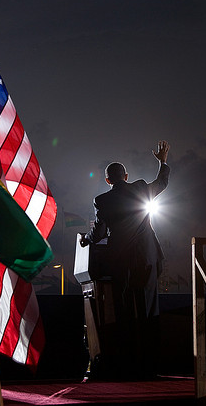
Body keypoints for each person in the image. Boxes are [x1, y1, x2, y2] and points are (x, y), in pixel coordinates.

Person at [80, 140, 170, 380]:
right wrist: (162, 162)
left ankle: (126, 365)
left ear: (108, 180)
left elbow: (98, 233)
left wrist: (85, 240)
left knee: (124, 312)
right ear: (127, 176)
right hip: (147, 258)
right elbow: (161, 183)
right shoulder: (141, 187)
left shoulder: (102, 200)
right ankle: (150, 367)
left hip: (120, 261)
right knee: (148, 309)